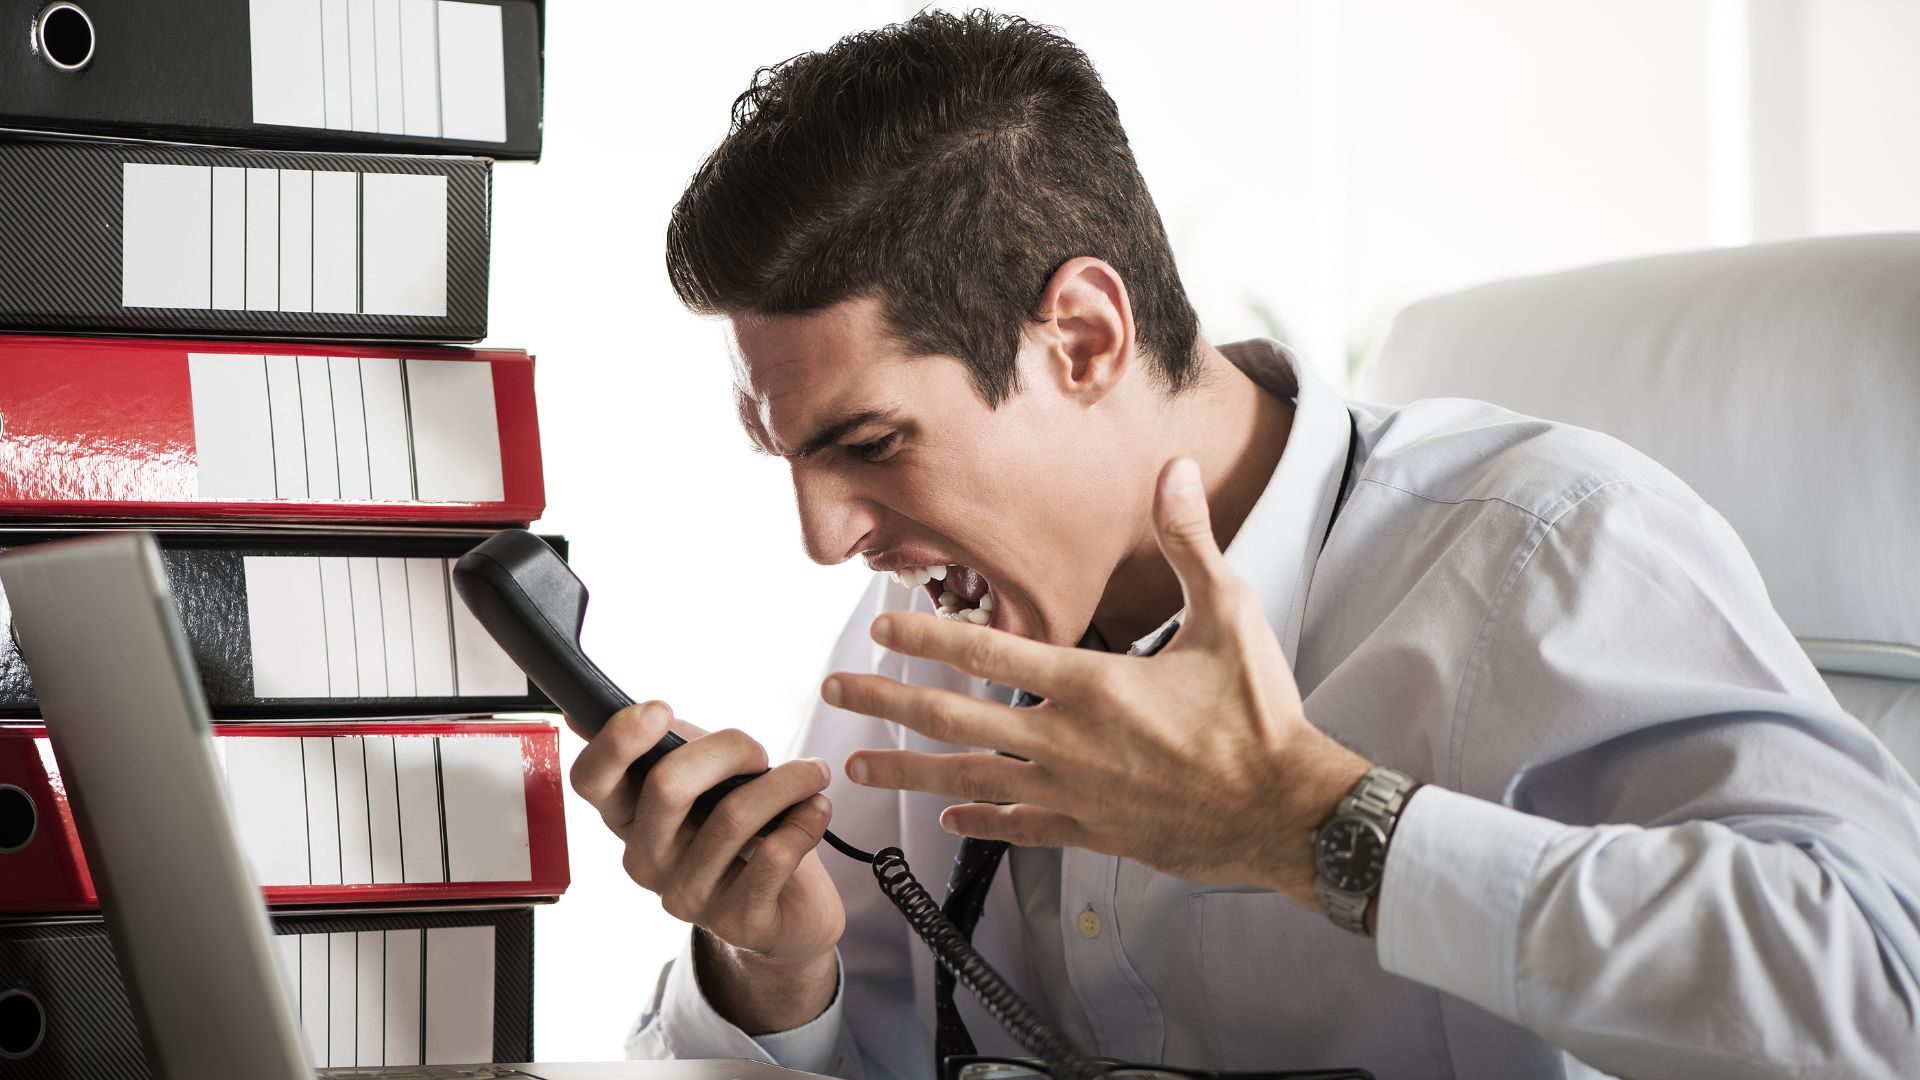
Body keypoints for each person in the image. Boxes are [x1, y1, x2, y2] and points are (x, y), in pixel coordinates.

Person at [569, 10, 1920, 1078]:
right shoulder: (929, 625)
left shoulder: (1546, 548)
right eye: (789, 458)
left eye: (868, 445)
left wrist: (1318, 826)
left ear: (1083, 337)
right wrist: (773, 972)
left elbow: (1882, 994)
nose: (826, 538)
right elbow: (869, 1046)